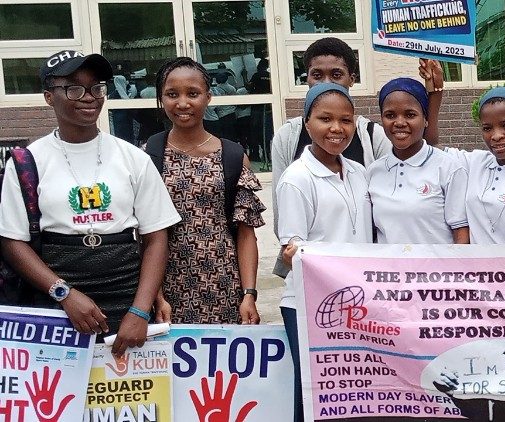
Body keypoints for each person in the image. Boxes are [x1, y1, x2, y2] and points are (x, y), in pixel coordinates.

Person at [0, 50, 181, 356]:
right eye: (74, 88)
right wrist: (63, 293)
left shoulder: (133, 158)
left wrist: (139, 310)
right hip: (55, 302)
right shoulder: (28, 161)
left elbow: (155, 237)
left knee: (130, 399)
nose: (89, 97)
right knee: (59, 396)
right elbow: (12, 242)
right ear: (48, 97)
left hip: (126, 298)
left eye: (96, 88)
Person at [271, 37, 444, 233]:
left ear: (352, 79)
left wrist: (434, 93)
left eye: (336, 74)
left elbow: (418, 152)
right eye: (317, 75)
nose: (326, 82)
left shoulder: (371, 136)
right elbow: (282, 216)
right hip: (308, 257)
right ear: (307, 78)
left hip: (363, 254)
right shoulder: (288, 137)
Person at [276, 83, 372, 422]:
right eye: (325, 119)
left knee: (350, 393)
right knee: (314, 394)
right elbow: (292, 248)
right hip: (309, 305)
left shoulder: (359, 172)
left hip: (357, 302)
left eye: (346, 120)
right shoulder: (296, 179)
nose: (336, 128)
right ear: (306, 124)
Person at [145, 57, 266, 325]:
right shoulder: (148, 156)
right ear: (161, 99)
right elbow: (144, 235)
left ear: (208, 97)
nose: (183, 103)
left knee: (224, 367)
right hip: (167, 291)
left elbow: (246, 235)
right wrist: (155, 296)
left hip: (226, 288)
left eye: (193, 93)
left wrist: (249, 294)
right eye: (172, 94)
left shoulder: (232, 156)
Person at [367, 77, 469, 244]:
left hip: (437, 269)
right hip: (389, 270)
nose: (399, 122)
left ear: (425, 119)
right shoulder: (373, 171)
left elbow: (461, 231)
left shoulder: (448, 167)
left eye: (410, 114)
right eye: (390, 115)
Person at [442, 86, 505, 244]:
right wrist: (435, 90)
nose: (496, 136)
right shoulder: (475, 162)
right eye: (487, 128)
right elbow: (432, 147)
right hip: (475, 268)